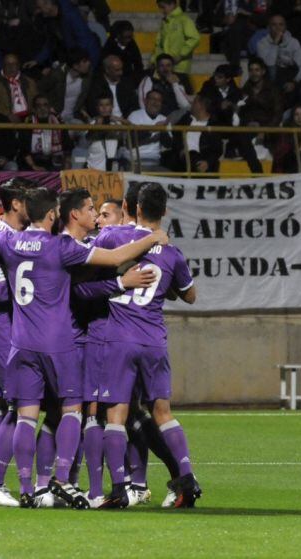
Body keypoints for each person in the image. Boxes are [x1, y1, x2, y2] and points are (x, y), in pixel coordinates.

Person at [0, 187, 169, 508]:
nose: (95, 214)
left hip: (20, 343)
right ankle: (63, 480)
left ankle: (28, 489)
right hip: (58, 343)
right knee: (74, 410)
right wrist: (154, 237)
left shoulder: (10, 242)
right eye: (91, 209)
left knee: (26, 416)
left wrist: (1, 220)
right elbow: (117, 258)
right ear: (52, 215)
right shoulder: (61, 247)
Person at [90, 182, 200, 508]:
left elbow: (89, 263)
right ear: (164, 211)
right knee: (162, 413)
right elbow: (191, 296)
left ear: (134, 208)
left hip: (119, 338)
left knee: (116, 415)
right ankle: (187, 479)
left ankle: (120, 489)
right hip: (153, 340)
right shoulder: (172, 253)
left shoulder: (113, 237)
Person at [0, 177, 38, 508]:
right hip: (3, 329)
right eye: (29, 200)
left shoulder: (16, 238)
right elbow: (0, 291)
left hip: (4, 329)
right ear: (16, 203)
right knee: (15, 406)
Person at [256, 13, 301, 108]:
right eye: (274, 24)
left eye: (281, 24)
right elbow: (269, 65)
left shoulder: (293, 42)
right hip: (271, 79)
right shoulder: (261, 44)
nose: (278, 28)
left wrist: (294, 82)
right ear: (268, 27)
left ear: (285, 27)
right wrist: (275, 44)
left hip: (290, 78)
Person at [32, 0, 100, 70]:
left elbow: (85, 40)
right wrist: (38, 60)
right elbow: (51, 42)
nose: (37, 11)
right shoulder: (49, 21)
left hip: (88, 59)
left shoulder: (70, 14)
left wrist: (75, 61)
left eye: (39, 8)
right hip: (75, 59)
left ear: (48, 4)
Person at [168, 95, 222, 173]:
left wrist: (207, 162)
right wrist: (180, 150)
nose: (191, 105)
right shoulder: (186, 119)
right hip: (183, 159)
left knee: (203, 164)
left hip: (203, 160)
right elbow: (176, 137)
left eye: (194, 103)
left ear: (200, 106)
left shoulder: (213, 125)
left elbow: (217, 150)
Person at [18, 95, 73, 171]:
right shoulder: (28, 122)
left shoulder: (58, 122)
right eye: (38, 106)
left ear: (49, 107)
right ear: (34, 109)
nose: (42, 108)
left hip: (54, 161)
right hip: (33, 162)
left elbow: (67, 145)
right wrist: (33, 166)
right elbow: (24, 150)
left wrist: (67, 162)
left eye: (45, 105)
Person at [37, 49, 92, 124]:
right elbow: (40, 89)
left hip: (73, 118)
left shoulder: (87, 79)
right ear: (75, 65)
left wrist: (83, 110)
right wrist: (49, 107)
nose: (89, 63)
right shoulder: (57, 75)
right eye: (85, 61)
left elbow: (82, 100)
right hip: (55, 119)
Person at [152, 0, 201, 77]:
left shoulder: (184, 19)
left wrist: (181, 55)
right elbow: (159, 44)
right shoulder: (165, 22)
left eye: (163, 7)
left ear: (172, 4)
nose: (161, 10)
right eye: (160, 7)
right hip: (164, 65)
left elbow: (195, 38)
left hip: (179, 66)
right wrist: (154, 60)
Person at [127, 89, 172, 171]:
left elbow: (168, 145)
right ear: (145, 101)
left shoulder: (163, 119)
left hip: (155, 163)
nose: (155, 103)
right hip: (134, 162)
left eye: (159, 100)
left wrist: (163, 131)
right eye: (153, 99)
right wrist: (152, 129)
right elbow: (131, 140)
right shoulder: (135, 115)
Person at [137, 53, 192, 120]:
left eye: (168, 65)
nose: (165, 69)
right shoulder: (149, 80)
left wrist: (175, 85)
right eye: (162, 66)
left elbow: (185, 105)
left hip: (176, 119)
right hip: (155, 118)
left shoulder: (179, 81)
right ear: (157, 67)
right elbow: (143, 103)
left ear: (173, 67)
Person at [0, 53, 38, 122]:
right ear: (3, 66)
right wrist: (7, 114)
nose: (11, 67)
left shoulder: (29, 82)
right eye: (8, 64)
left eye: (14, 64)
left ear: (18, 65)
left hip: (29, 118)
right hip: (5, 119)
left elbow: (35, 100)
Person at [84, 55, 138, 119]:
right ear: (107, 70)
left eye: (121, 69)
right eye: (117, 70)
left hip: (126, 121)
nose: (121, 73)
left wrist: (126, 118)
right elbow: (92, 107)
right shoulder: (96, 85)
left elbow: (134, 105)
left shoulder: (126, 83)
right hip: (104, 121)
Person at [85, 95, 129, 171]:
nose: (104, 108)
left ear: (112, 106)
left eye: (107, 105)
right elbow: (89, 137)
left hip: (112, 166)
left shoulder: (117, 123)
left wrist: (118, 119)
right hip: (93, 166)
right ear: (97, 107)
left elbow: (134, 128)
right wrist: (97, 125)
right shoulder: (92, 123)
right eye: (101, 105)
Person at [239, 57, 283, 127]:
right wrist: (247, 123)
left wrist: (264, 130)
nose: (254, 73)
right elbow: (241, 113)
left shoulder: (273, 90)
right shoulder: (245, 90)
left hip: (268, 132)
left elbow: (277, 115)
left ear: (263, 71)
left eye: (257, 70)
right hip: (247, 130)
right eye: (251, 70)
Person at [102, 20, 144, 87]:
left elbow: (138, 64)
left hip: (129, 80)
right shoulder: (109, 47)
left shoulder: (132, 44)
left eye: (131, 37)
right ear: (118, 36)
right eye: (126, 37)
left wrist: (136, 80)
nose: (129, 40)